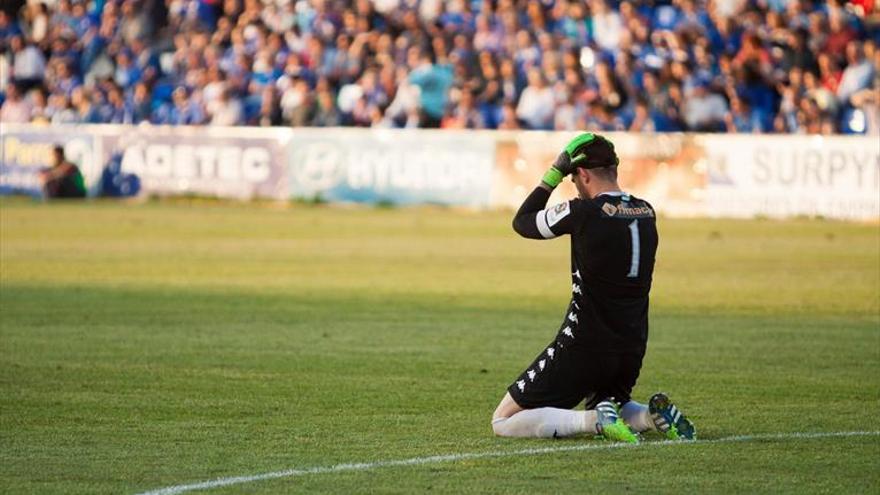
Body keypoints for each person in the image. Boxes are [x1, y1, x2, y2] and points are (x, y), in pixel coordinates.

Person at [491, 133, 696, 443]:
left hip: (584, 344)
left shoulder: (582, 212)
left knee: (504, 420)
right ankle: (649, 417)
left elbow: (523, 222)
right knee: (614, 403)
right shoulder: (646, 212)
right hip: (632, 343)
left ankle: (593, 422)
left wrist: (553, 173)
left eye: (574, 179)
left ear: (583, 175)